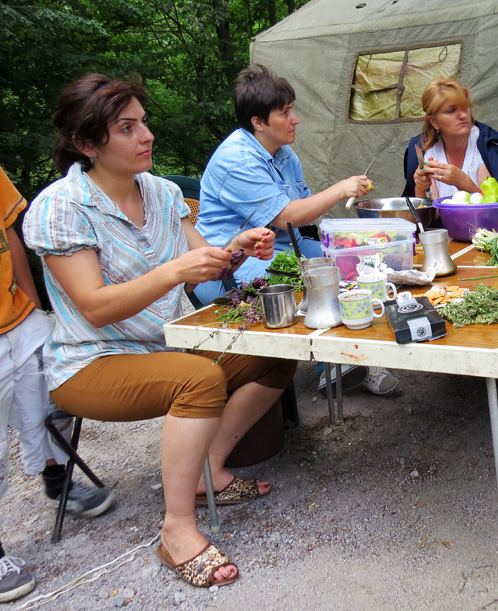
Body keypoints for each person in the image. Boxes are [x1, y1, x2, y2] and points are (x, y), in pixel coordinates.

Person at [23, 74, 298, 587]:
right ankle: (176, 531)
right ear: (86, 144)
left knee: (278, 351)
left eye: (143, 122)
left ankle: (207, 471)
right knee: (198, 379)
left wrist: (236, 249)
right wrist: (173, 272)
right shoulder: (61, 207)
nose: (147, 135)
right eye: (127, 128)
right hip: (91, 361)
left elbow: (204, 262)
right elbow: (94, 308)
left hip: (166, 344)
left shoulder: (162, 191)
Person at [194, 65, 398, 395]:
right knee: (319, 282)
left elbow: (301, 216)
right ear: (258, 122)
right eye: (285, 112)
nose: (296, 119)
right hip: (231, 263)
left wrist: (348, 237)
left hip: (286, 247)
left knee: (354, 265)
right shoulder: (237, 159)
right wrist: (340, 189)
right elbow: (285, 216)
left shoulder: (283, 153)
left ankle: (352, 355)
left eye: (292, 110)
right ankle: (336, 363)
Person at [0, 167, 115, 602]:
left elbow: (8, 234)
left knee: (51, 405)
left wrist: (33, 307)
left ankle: (58, 480)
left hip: (18, 319)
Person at [401, 78, 498, 200]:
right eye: (451, 110)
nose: (462, 115)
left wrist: (462, 181)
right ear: (434, 121)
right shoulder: (425, 152)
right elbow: (429, 213)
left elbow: (492, 208)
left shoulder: (486, 148)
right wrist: (421, 188)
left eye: (465, 107)